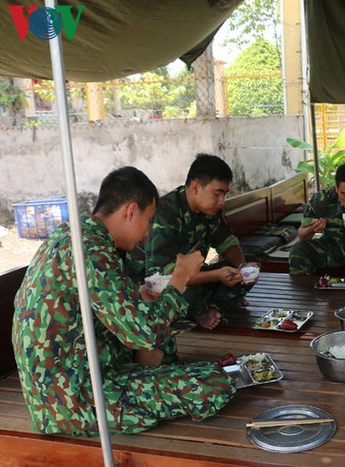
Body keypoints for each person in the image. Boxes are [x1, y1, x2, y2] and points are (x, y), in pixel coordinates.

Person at [12, 167, 235, 437]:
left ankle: (146, 384)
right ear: (130, 211)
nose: (147, 232)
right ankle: (144, 390)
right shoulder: (92, 250)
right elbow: (144, 332)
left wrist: (137, 296)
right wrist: (181, 277)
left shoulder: (72, 236)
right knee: (213, 382)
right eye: (148, 219)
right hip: (73, 400)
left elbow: (110, 310)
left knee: (167, 342)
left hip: (59, 388)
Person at [145, 154, 255, 330]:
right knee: (183, 291)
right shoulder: (166, 213)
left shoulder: (211, 210)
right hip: (164, 284)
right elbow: (163, 277)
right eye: (217, 194)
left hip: (195, 277)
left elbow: (227, 242)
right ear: (195, 187)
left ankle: (212, 308)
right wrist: (216, 275)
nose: (222, 201)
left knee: (247, 260)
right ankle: (205, 308)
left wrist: (243, 268)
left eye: (225, 194)